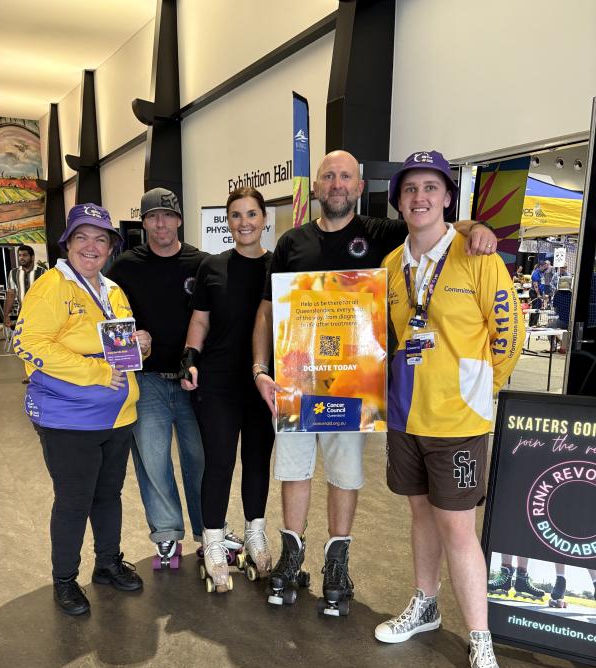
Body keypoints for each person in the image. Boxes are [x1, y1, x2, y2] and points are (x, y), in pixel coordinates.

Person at [252, 149, 497, 615]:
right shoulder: (291, 242)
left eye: (346, 176)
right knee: (294, 470)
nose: (337, 184)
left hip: (353, 382)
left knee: (344, 473)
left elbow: (434, 224)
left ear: (360, 187)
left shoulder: (382, 234)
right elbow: (267, 310)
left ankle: (337, 563)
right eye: (328, 176)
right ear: (316, 187)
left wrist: (475, 227)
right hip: (297, 378)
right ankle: (292, 555)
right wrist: (261, 370)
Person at [372, 151, 525, 668]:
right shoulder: (391, 264)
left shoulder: (478, 255)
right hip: (405, 414)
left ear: (447, 198)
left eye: (430, 187)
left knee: (458, 528)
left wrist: (480, 385)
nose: (420, 197)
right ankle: (426, 603)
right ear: (399, 200)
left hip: (457, 421)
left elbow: (509, 333)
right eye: (411, 188)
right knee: (420, 514)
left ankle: (481, 643)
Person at [13, 204, 151, 616]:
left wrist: (141, 345)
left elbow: (120, 345)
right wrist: (95, 372)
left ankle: (107, 562)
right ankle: (65, 579)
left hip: (118, 416)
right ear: (68, 244)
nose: (91, 246)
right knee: (74, 500)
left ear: (110, 247)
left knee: (108, 495)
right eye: (82, 237)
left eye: (100, 239)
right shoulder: (52, 286)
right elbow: (29, 343)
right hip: (69, 419)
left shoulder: (113, 290)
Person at [180, 187, 274, 593]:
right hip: (217, 382)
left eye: (252, 214)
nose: (244, 222)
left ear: (264, 219)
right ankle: (214, 542)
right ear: (228, 222)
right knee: (219, 462)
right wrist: (190, 357)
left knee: (257, 460)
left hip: (264, 382)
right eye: (236, 215)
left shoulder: (278, 266)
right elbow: (200, 320)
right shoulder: (213, 266)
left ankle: (255, 534)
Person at [108, 188, 207, 569]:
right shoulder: (124, 267)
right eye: (152, 217)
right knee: (152, 460)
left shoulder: (201, 263)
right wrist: (129, 338)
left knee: (200, 459)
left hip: (191, 380)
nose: (160, 223)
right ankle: (166, 533)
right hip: (146, 380)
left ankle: (209, 531)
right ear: (144, 222)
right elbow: (108, 320)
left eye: (167, 216)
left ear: (179, 219)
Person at [3, 244, 46, 326]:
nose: (21, 258)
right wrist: (6, 315)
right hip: (22, 314)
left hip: (40, 314)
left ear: (32, 257)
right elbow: (10, 294)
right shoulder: (14, 273)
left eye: (25, 255)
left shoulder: (42, 272)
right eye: (20, 255)